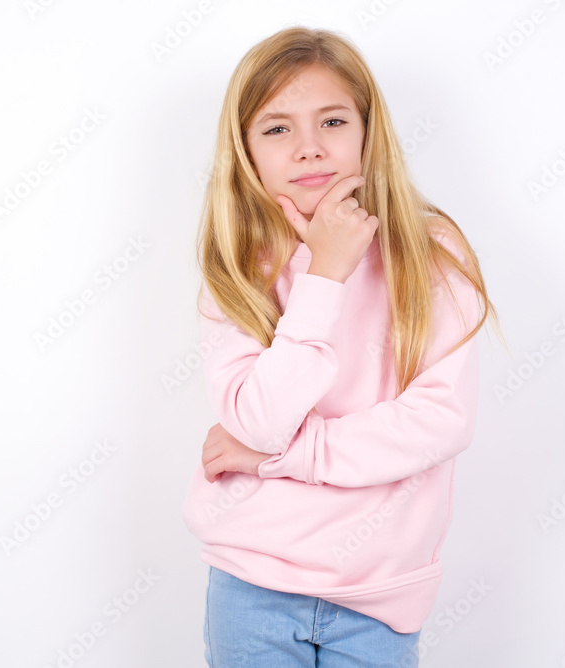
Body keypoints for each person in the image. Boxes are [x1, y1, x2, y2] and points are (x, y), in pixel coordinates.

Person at [181, 25, 503, 668]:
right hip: (253, 587)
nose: (308, 149)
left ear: (366, 130)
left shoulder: (431, 254)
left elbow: (439, 421)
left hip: (379, 598)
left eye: (332, 121)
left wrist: (279, 457)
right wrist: (323, 275)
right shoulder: (240, 265)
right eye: (277, 129)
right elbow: (259, 419)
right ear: (244, 149)